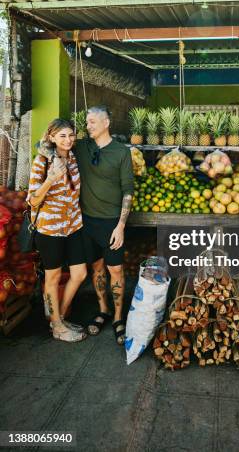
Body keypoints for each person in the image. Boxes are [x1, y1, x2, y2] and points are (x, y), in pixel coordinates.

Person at [75, 105, 134, 345]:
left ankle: (119, 316)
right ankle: (103, 310)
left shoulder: (121, 152)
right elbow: (50, 143)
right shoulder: (81, 147)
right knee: (96, 269)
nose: (88, 126)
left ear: (106, 123)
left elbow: (128, 191)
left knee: (115, 270)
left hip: (111, 223)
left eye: (92, 122)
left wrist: (120, 226)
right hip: (87, 221)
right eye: (87, 122)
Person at [28, 119, 87, 342]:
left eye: (71, 135)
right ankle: (57, 327)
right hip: (50, 229)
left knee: (80, 274)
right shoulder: (41, 162)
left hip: (73, 225)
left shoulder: (72, 158)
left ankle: (59, 317)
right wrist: (51, 178)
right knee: (52, 278)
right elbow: (33, 201)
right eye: (62, 136)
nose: (68, 140)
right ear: (52, 137)